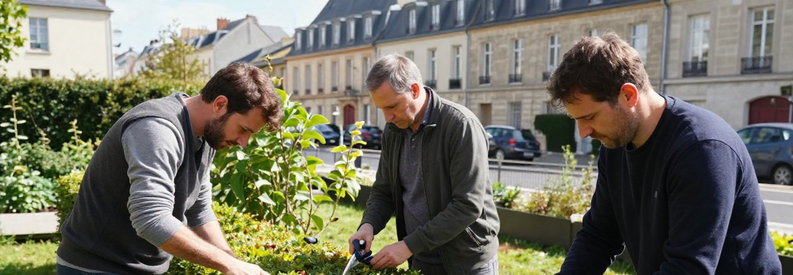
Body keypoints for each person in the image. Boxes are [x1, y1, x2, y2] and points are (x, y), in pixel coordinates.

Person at [550, 32, 782, 274]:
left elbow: (688, 268)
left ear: (628, 95)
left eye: (589, 117)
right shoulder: (615, 144)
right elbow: (599, 236)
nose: (584, 132)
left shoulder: (701, 149)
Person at [56, 62, 283, 275]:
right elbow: (151, 219)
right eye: (243, 129)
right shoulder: (156, 128)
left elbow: (199, 211)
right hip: (95, 268)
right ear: (220, 104)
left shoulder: (207, 136)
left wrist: (234, 263)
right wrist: (228, 265)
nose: (243, 143)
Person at [347, 54, 500, 275]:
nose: (387, 117)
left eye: (391, 106)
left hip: (467, 261)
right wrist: (367, 225)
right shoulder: (393, 129)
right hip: (421, 258)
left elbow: (467, 205)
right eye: (381, 109)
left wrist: (408, 245)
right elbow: (384, 191)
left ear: (415, 90)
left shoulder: (461, 125)